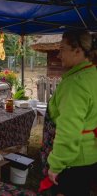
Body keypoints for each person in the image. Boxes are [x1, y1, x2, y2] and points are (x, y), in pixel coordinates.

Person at [41, 30, 97, 196]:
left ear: (78, 51)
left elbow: (69, 131)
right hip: (89, 154)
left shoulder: (75, 84)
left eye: (62, 49)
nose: (58, 55)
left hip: (72, 161)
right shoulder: (92, 74)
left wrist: (56, 165)